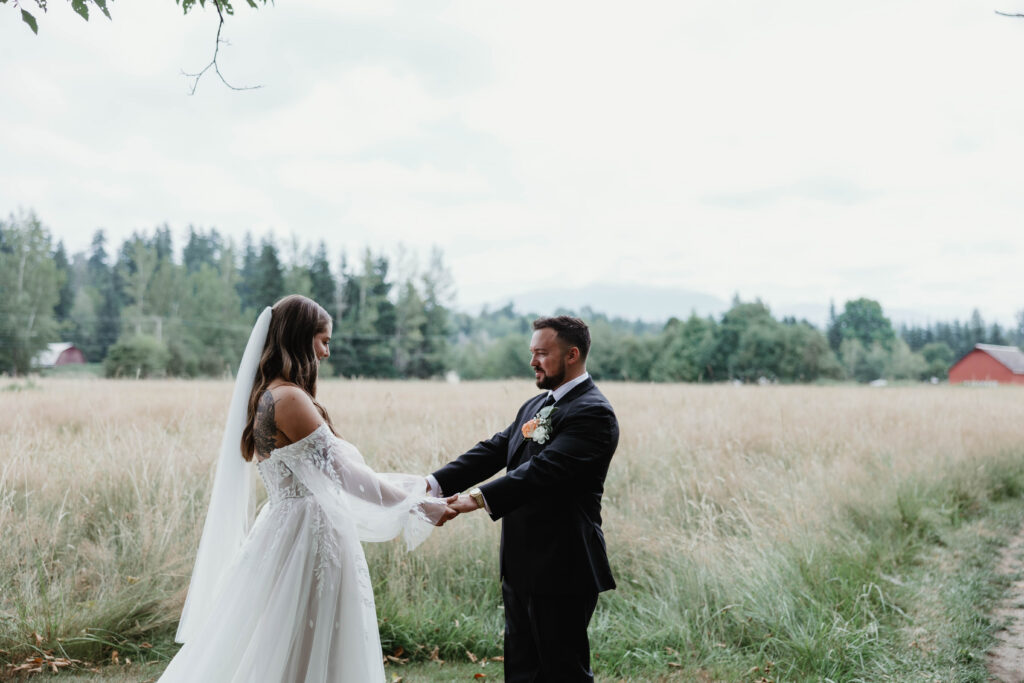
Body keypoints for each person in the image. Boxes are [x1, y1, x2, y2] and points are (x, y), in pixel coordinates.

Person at [158, 295, 456, 683]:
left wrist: (415, 493)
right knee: (309, 638)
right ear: (299, 338)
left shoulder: (265, 396)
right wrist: (416, 505)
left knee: (281, 637)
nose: (326, 352)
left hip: (283, 528)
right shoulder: (290, 398)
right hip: (309, 536)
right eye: (323, 340)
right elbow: (347, 476)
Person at [431, 315, 619, 683]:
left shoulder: (593, 413)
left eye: (542, 353)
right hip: (520, 564)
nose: (532, 361)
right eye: (532, 352)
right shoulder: (535, 405)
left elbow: (543, 470)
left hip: (563, 565)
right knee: (521, 670)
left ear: (572, 354)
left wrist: (475, 499)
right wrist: (432, 484)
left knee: (563, 671)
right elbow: (495, 449)